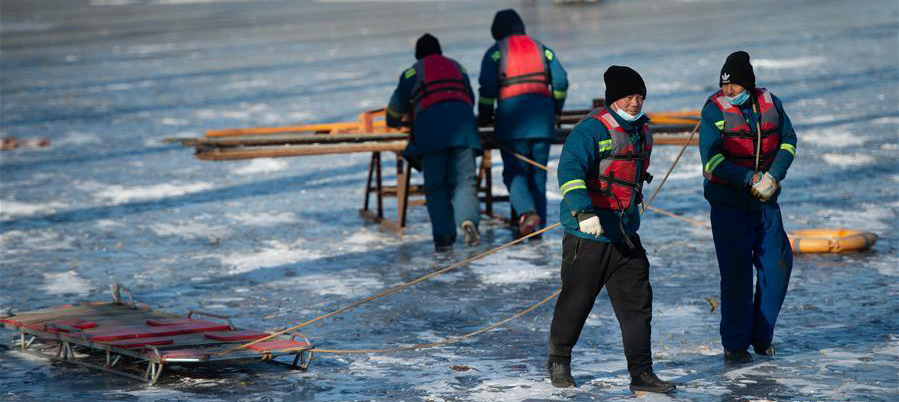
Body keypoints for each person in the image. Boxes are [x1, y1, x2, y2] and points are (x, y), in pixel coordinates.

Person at [547, 66, 675, 393]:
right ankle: (559, 360)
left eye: (640, 97)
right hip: (588, 234)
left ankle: (642, 373)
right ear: (613, 99)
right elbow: (570, 172)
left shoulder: (641, 132)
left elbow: (635, 172)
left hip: (625, 234)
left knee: (638, 305)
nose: (635, 103)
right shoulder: (591, 131)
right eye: (629, 96)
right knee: (576, 301)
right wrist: (583, 212)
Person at [699, 51, 796, 363]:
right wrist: (749, 178)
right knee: (737, 276)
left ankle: (762, 335)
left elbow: (788, 141)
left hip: (765, 203)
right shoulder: (714, 110)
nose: (728, 92)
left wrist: (773, 176)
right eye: (724, 86)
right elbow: (712, 160)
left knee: (778, 268)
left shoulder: (771, 103)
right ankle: (736, 344)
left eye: (735, 87)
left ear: (749, 86)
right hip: (729, 206)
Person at [386, 34, 483, 252]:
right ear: (439, 51)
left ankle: (444, 238)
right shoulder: (458, 67)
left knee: (436, 186)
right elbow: (470, 97)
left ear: (418, 54)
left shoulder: (413, 71)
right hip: (464, 128)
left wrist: (393, 120)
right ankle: (468, 221)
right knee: (465, 181)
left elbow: (396, 107)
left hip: (430, 131)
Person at [477, 9, 568, 238]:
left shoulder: (496, 52)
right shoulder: (542, 49)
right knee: (538, 177)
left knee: (514, 173)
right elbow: (560, 81)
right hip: (543, 121)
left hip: (512, 122)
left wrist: (485, 115)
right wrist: (556, 109)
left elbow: (487, 89)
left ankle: (526, 214)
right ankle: (537, 232)